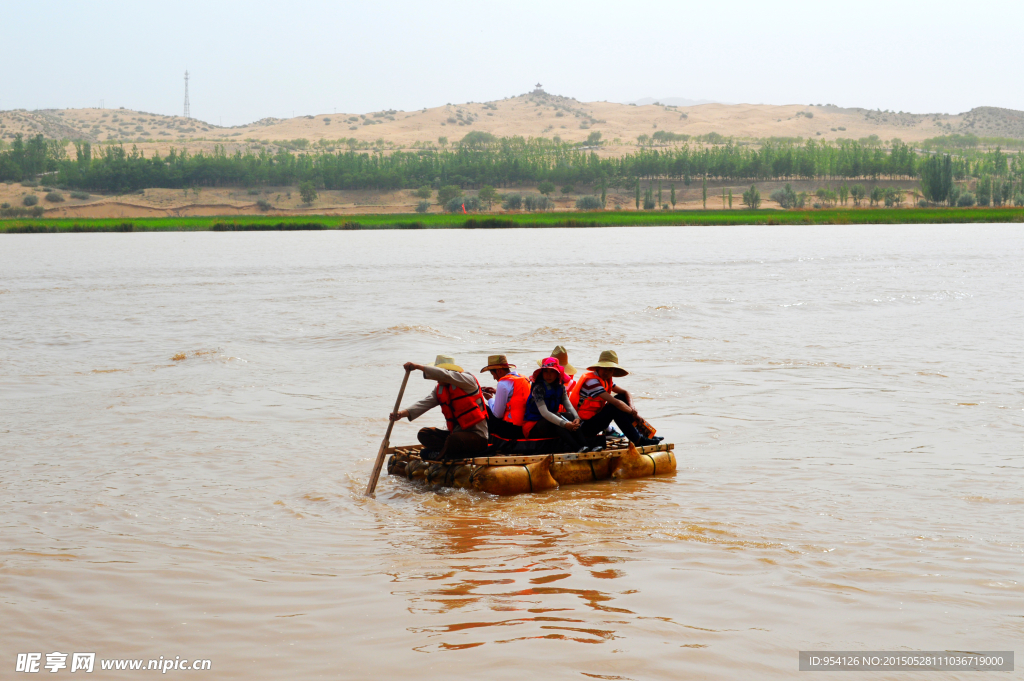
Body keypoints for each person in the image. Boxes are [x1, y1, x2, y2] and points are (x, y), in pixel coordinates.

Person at [389, 354, 488, 461]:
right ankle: (445, 452)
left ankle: (441, 455)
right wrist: (401, 414)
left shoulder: (468, 381)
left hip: (477, 437)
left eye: (437, 374)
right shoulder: (440, 389)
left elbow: (445, 375)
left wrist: (418, 367)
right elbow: (424, 404)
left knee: (454, 439)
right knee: (424, 433)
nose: (435, 379)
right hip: (454, 435)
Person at [570, 350, 660, 449]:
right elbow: (616, 403)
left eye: (610, 370)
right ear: (598, 368)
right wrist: (634, 414)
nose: (606, 372)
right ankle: (638, 439)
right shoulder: (592, 381)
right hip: (582, 426)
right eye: (604, 368)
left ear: (614, 371)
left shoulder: (605, 380)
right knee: (615, 407)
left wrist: (633, 409)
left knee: (621, 397)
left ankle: (644, 434)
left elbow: (626, 393)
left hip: (593, 421)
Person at [521, 357, 587, 453]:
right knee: (557, 417)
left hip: (550, 422)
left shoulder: (560, 386)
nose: (548, 375)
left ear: (557, 373)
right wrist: (565, 424)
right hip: (533, 426)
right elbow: (545, 413)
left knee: (570, 416)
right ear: (542, 373)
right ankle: (577, 448)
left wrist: (577, 418)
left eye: (552, 371)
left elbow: (567, 404)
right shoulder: (538, 388)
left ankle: (586, 445)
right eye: (545, 371)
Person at [479, 354, 531, 449]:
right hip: (525, 426)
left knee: (481, 407)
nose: (494, 378)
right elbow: (516, 398)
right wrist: (496, 392)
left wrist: (490, 399)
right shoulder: (523, 378)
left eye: (493, 374)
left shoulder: (503, 383)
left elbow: (497, 414)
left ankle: (486, 440)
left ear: (499, 371)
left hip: (510, 429)